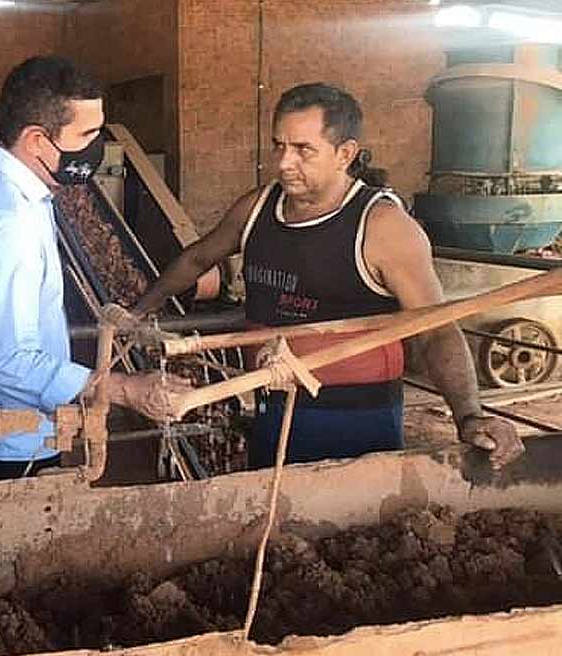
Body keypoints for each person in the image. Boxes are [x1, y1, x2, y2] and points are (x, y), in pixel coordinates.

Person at [133, 83, 523, 471]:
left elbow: (436, 329)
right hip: (271, 404)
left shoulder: (381, 226)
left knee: (348, 519)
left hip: (355, 420)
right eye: (279, 146)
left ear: (345, 154)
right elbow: (198, 257)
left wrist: (469, 415)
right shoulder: (257, 208)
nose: (284, 163)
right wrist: (139, 312)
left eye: (303, 150)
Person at [0, 56, 191, 484]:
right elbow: (9, 360)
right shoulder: (8, 219)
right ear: (36, 141)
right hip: (4, 442)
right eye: (86, 135)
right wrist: (126, 389)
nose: (95, 148)